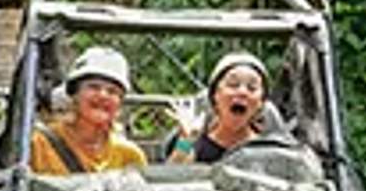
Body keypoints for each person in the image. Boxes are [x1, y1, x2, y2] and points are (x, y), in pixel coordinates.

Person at [29, 44, 149, 174]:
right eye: (94, 87)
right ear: (74, 95)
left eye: (112, 91)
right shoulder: (38, 145)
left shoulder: (130, 155)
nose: (103, 95)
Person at [174, 50, 301, 162]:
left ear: (261, 103)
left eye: (252, 88)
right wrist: (187, 140)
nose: (242, 92)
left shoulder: (270, 149)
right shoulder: (195, 142)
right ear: (215, 95)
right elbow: (174, 179)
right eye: (233, 84)